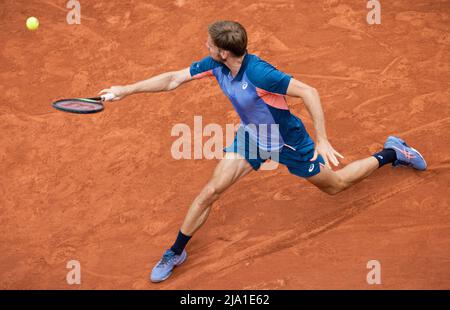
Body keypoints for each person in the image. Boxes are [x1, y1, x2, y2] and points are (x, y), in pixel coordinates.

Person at [99, 21, 427, 283]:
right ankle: (175, 251)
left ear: (224, 52)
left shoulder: (260, 74)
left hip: (288, 141)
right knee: (210, 191)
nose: (205, 46)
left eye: (209, 44)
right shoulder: (214, 65)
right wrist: (125, 90)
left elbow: (309, 92)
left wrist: (322, 140)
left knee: (336, 186)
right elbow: (173, 79)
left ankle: (392, 153)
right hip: (254, 138)